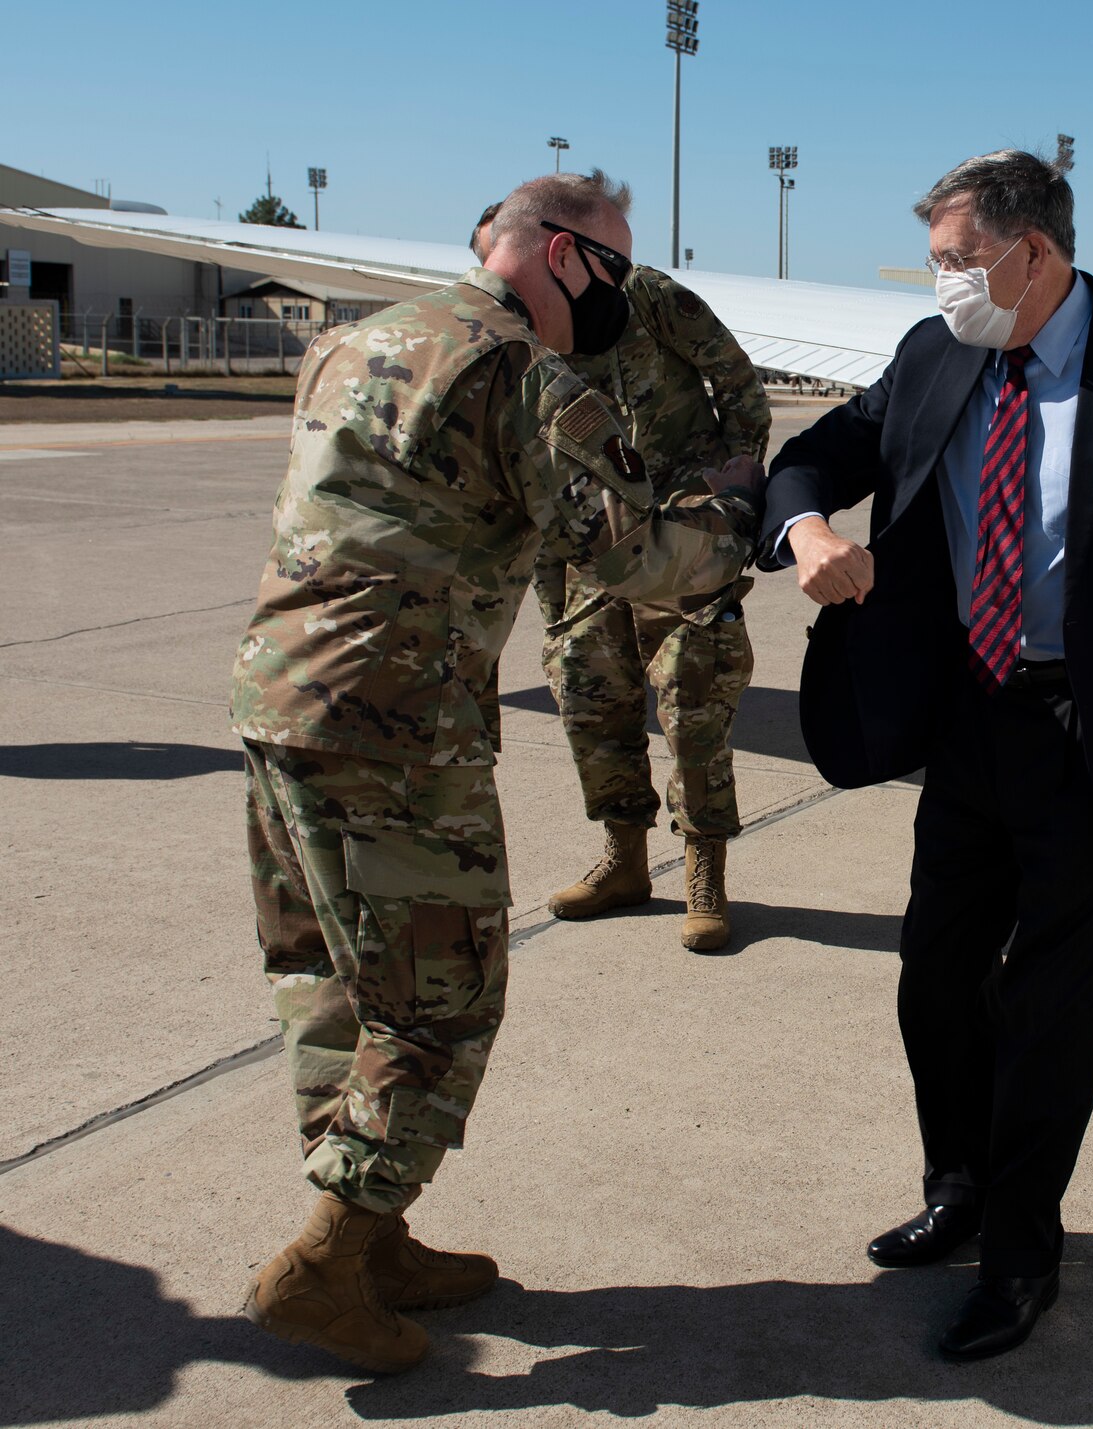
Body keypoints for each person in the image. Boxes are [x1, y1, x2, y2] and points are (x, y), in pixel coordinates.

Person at [762, 150, 1093, 1360]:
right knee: (932, 977)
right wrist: (801, 528)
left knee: (1045, 1001)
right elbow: (817, 457)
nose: (942, 283)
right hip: (968, 719)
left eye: (957, 261)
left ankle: (1019, 1253)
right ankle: (956, 1185)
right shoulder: (934, 351)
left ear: (1032, 253)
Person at [236, 169, 764, 1375]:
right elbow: (624, 556)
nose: (626, 299)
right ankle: (326, 1259)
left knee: (330, 979)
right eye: (617, 270)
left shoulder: (358, 340)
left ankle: (377, 1236)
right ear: (565, 255)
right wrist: (736, 524)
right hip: (397, 724)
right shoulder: (528, 375)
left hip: (279, 698)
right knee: (439, 1001)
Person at [470, 210, 771, 948]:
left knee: (693, 701)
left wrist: (732, 482)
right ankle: (626, 859)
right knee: (588, 698)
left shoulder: (647, 297)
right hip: (585, 538)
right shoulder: (515, 327)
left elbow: (736, 383)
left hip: (678, 535)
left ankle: (705, 871)